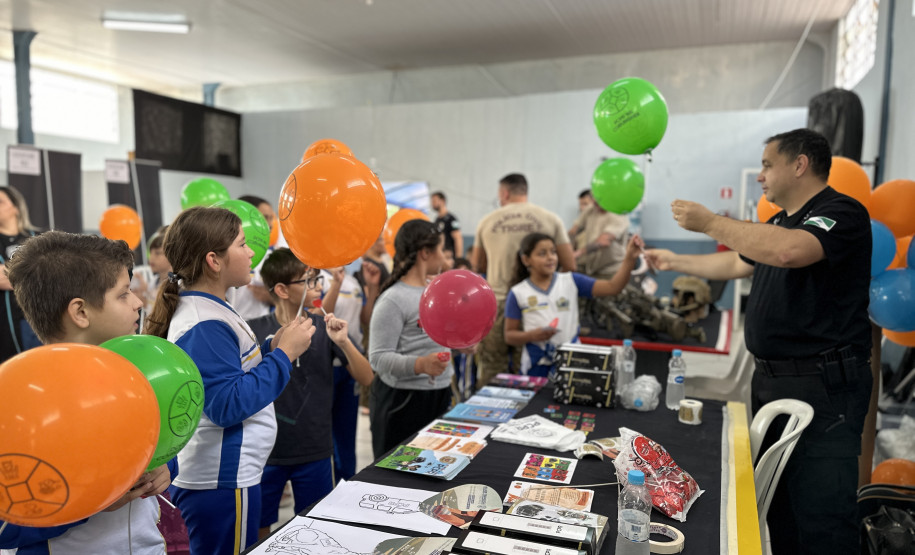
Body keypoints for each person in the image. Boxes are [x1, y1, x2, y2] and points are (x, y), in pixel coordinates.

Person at [645, 128, 871, 555]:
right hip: (774, 380)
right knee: (780, 508)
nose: (761, 176)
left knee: (821, 513)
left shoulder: (840, 212)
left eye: (768, 165)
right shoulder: (780, 222)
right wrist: (673, 259)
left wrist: (711, 221)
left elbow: (791, 252)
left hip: (823, 387)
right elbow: (736, 260)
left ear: (799, 164)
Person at [143, 206, 315, 555]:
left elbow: (230, 367)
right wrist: (285, 356)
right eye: (241, 244)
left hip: (225, 480)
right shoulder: (204, 321)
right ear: (214, 261)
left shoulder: (211, 307)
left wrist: (271, 346)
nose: (252, 252)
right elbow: (226, 405)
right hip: (221, 482)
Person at [2, 231, 172, 553]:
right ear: (80, 312)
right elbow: (6, 528)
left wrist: (164, 469)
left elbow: (160, 445)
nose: (138, 302)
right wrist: (88, 503)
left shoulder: (138, 374)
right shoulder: (21, 406)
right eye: (123, 295)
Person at [248, 249, 373, 539]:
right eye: (308, 280)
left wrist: (343, 341)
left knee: (316, 532)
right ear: (281, 289)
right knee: (259, 534)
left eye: (317, 279)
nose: (317, 286)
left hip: (315, 451)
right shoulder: (254, 331)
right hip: (266, 454)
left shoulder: (324, 327)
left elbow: (366, 377)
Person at [471, 173, 575, 384]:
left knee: (492, 369)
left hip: (496, 304)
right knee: (528, 371)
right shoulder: (550, 219)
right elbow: (570, 265)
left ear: (505, 193)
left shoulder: (487, 221)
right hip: (534, 306)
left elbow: (478, 266)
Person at [368, 220, 456, 457]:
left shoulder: (437, 290)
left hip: (440, 393)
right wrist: (420, 364)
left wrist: (463, 343)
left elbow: (439, 339)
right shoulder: (393, 299)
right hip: (403, 401)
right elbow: (377, 358)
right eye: (440, 249)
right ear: (425, 253)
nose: (445, 257)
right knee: (397, 476)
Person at [505, 232, 642, 376]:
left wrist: (630, 258)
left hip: (572, 361)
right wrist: (532, 335)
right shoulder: (518, 292)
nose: (550, 257)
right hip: (536, 365)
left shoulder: (571, 281)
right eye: (542, 253)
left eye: (553, 252)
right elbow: (509, 336)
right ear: (526, 260)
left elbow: (613, 287)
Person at [318, 265, 369, 481]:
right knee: (321, 436)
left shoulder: (354, 282)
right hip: (325, 365)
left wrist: (373, 287)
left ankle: (346, 483)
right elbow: (319, 316)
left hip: (350, 363)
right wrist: (336, 283)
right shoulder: (317, 278)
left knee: (347, 434)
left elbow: (365, 318)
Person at [0, 186, 40, 362]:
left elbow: (48, 276)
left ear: (16, 208)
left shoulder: (38, 240)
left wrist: (13, 274)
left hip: (33, 322)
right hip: (3, 326)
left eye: (1, 202)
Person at [226, 195, 276, 320]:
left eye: (271, 218)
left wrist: (272, 297)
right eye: (264, 217)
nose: (270, 225)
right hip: (231, 322)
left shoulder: (271, 257)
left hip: (262, 324)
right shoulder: (223, 255)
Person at [568, 202, 631, 278]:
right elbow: (573, 231)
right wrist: (567, 250)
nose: (596, 203)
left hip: (611, 270)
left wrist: (577, 253)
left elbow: (604, 241)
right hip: (591, 267)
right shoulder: (590, 210)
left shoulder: (619, 215)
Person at [131, 225, 172, 312]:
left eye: (157, 253)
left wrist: (145, 303)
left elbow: (166, 315)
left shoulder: (175, 285)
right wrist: (144, 290)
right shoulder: (155, 281)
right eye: (151, 253)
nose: (151, 258)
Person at [431, 191, 463, 258]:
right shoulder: (437, 220)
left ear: (442, 201)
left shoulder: (452, 219)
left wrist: (458, 258)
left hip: (450, 257)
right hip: (440, 256)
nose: (432, 203)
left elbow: (458, 238)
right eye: (432, 201)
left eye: (434, 201)